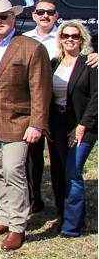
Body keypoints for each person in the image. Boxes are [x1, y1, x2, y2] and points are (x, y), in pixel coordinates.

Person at [0, 0, 52, 251]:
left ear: (13, 18)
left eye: (3, 17)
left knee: (14, 170)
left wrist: (37, 124)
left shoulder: (31, 47)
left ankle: (17, 226)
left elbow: (40, 89)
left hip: (19, 121)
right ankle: (3, 218)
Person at [48, 21, 96, 238]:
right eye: (65, 35)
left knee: (73, 173)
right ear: (60, 38)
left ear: (81, 39)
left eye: (74, 36)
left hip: (81, 124)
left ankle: (72, 227)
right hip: (57, 123)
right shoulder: (53, 63)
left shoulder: (90, 63)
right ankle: (64, 214)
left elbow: (97, 98)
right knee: (58, 172)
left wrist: (82, 126)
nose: (70, 39)